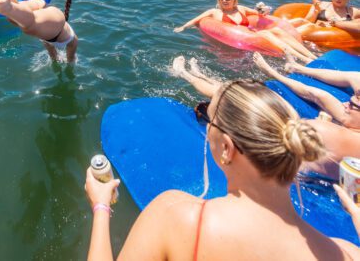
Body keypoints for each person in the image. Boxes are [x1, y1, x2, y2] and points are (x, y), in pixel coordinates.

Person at [85, 77, 360, 260]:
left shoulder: (176, 217)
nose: (203, 123)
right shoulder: (346, 252)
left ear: (227, 148)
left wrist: (101, 207)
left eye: (206, 116)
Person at [253, 53, 360, 179]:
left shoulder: (326, 131)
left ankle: (277, 73)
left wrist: (323, 122)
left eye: (352, 104)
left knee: (319, 97)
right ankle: (295, 68)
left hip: (299, 174)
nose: (345, 103)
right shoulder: (342, 124)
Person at [173, 0, 316, 62]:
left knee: (277, 30)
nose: (224, 0)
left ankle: (309, 57)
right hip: (235, 46)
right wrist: (183, 28)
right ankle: (302, 58)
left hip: (252, 38)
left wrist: (264, 10)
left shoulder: (241, 9)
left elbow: (260, 15)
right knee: (267, 33)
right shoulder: (213, 12)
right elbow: (195, 20)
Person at [289, 0, 360, 38]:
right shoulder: (321, 5)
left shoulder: (354, 12)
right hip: (314, 37)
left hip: (337, 41)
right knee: (299, 20)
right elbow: (307, 22)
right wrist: (316, 11)